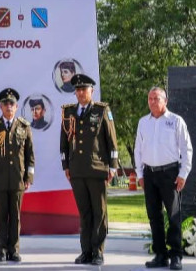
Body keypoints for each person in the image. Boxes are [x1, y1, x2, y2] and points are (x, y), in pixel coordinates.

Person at [60, 73, 118, 266]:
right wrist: (66, 166)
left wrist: (113, 167)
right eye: (77, 90)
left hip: (97, 169)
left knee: (99, 213)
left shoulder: (102, 111)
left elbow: (112, 142)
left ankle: (98, 252)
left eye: (84, 89)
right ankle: (85, 251)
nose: (80, 93)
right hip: (76, 170)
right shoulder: (68, 112)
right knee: (84, 213)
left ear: (91, 91)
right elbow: (64, 143)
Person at [135, 86, 193, 271]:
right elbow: (138, 150)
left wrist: (183, 173)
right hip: (149, 174)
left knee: (174, 215)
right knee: (154, 216)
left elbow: (186, 149)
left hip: (170, 174)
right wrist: (140, 174)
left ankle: (176, 255)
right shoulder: (143, 122)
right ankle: (160, 255)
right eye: (150, 98)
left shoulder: (176, 121)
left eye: (156, 98)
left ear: (165, 101)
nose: (152, 101)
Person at [0, 87, 35, 263]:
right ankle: (2, 251)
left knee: (16, 217)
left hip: (18, 179)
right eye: (5, 104)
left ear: (17, 106)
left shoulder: (24, 126)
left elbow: (30, 156)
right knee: (1, 217)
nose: (8, 107)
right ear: (0, 106)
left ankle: (14, 250)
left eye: (11, 104)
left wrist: (29, 177)